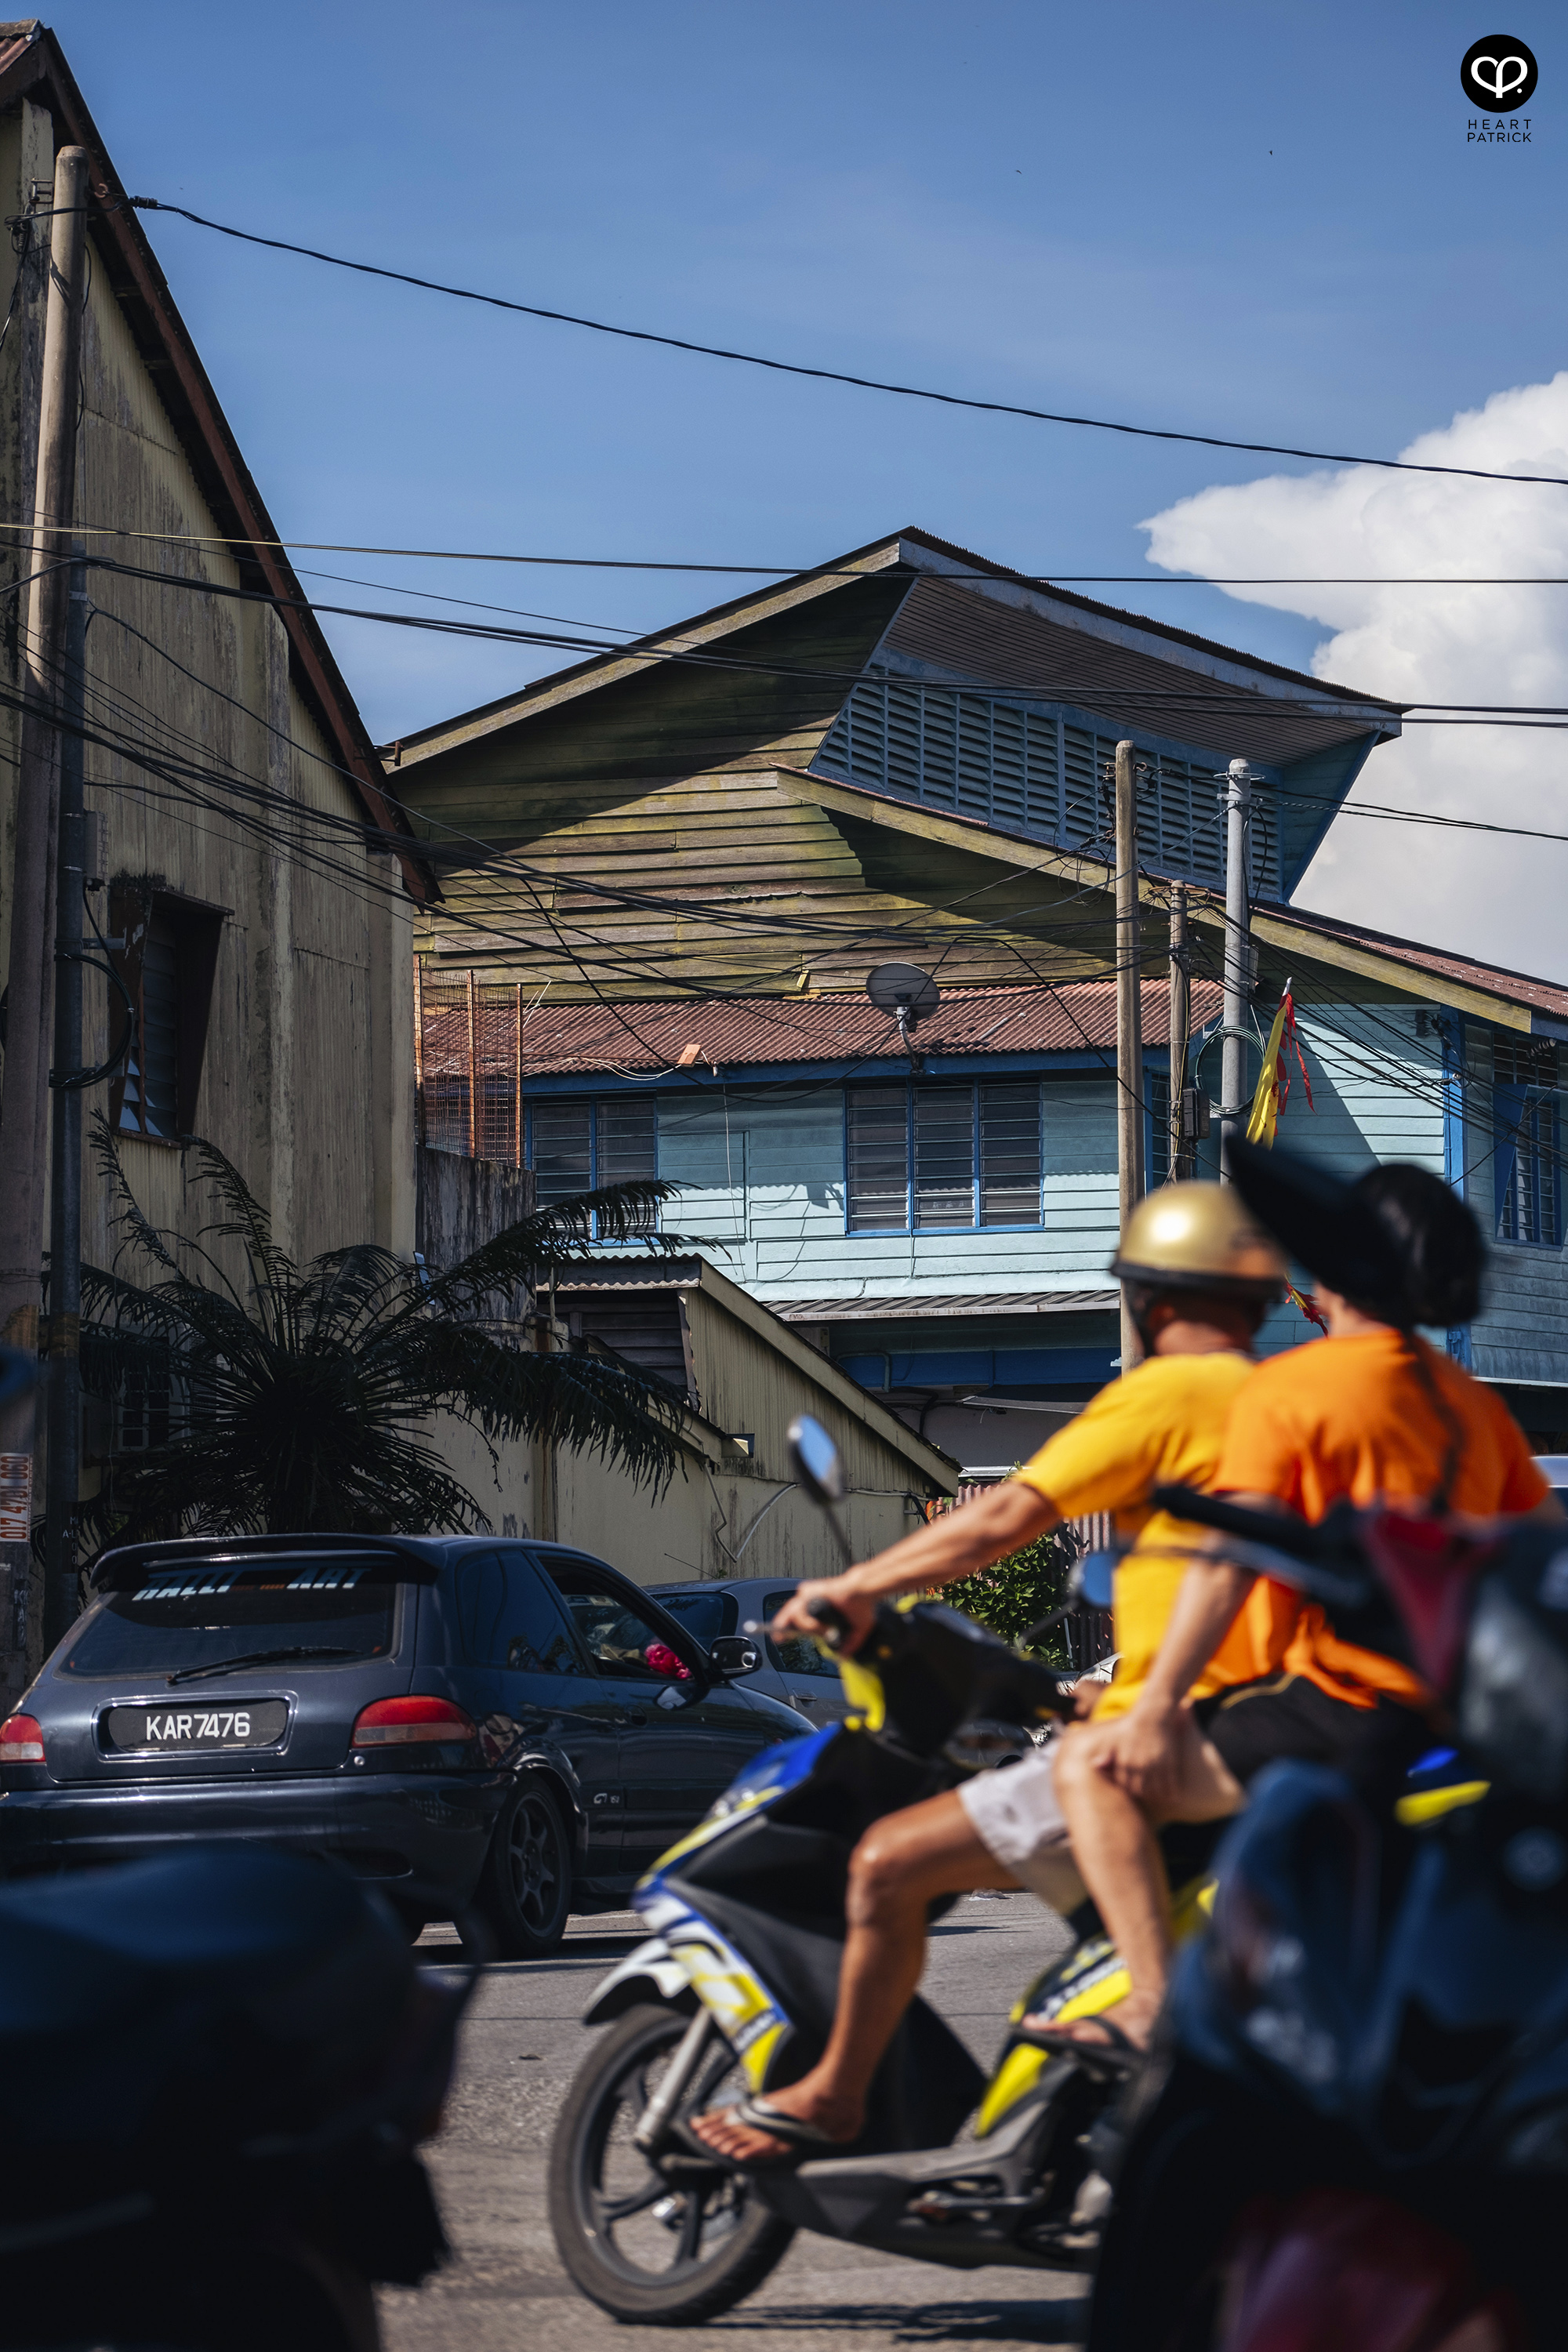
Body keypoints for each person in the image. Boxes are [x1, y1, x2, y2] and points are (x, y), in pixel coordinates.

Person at [691, 1181, 1291, 2167]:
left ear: (1148, 1298)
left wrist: (852, 1587)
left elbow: (1004, 1517)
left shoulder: (1165, 1395)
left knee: (885, 1862)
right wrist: (1103, 1685)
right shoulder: (1283, 1404)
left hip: (1173, 1749)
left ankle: (835, 2098)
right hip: (1264, 1728)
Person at [1053, 1145, 1565, 2056]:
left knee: (1091, 1772)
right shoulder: (1472, 1407)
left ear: (1330, 1274)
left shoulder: (1292, 1387)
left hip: (1344, 1707)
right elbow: (1540, 1554)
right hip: (1456, 1718)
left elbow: (1224, 1561)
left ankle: (1149, 2006)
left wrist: (1152, 1706)